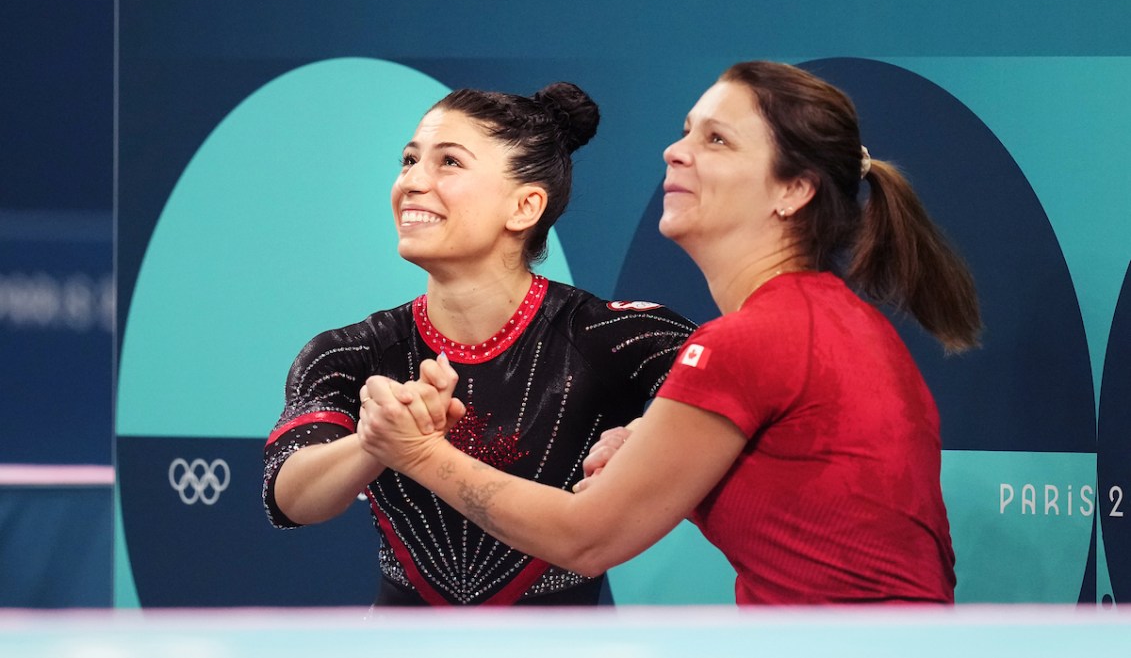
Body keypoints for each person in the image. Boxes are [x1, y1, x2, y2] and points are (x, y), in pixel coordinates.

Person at [359, 61, 982, 605]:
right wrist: (650, 440)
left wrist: (416, 453)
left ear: (792, 190)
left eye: (717, 140)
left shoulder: (751, 341)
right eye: (686, 131)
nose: (675, 151)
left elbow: (587, 536)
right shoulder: (830, 321)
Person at [262, 82, 696, 606]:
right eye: (408, 160)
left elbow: (749, 397)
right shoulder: (349, 352)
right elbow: (290, 499)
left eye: (449, 163)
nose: (412, 182)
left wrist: (648, 434)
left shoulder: (613, 335)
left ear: (524, 206)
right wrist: (378, 440)